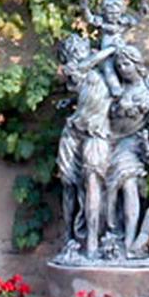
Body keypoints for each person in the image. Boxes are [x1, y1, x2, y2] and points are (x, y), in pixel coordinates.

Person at [106, 44, 149, 254]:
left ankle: (130, 241)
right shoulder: (116, 88)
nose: (122, 68)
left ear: (137, 64)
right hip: (108, 142)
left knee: (129, 185)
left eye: (126, 63)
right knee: (109, 193)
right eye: (118, 65)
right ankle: (112, 234)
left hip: (133, 143)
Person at [56, 34, 116, 259]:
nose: (77, 52)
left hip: (98, 134)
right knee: (69, 184)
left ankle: (92, 241)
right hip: (73, 133)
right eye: (71, 50)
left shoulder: (104, 73)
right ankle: (70, 237)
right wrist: (110, 48)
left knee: (93, 182)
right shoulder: (78, 67)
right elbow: (82, 67)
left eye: (80, 47)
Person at [81, 0, 143, 98]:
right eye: (110, 13)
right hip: (106, 49)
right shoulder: (102, 22)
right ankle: (115, 86)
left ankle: (136, 82)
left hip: (120, 48)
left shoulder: (123, 22)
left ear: (121, 12)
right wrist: (85, 7)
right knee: (108, 66)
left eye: (116, 13)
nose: (113, 16)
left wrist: (142, 7)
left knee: (128, 62)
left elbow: (137, 19)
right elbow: (90, 18)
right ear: (104, 12)